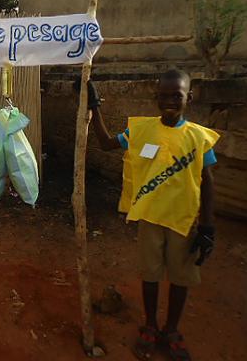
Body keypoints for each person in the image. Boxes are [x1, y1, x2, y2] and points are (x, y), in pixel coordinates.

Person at [84, 69, 219, 361]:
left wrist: (207, 226)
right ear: (155, 97)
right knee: (150, 275)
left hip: (184, 222)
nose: (170, 101)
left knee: (181, 278)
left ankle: (171, 330)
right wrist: (94, 106)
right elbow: (107, 143)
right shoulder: (141, 130)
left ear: (189, 98)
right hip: (150, 219)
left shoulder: (197, 137)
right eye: (164, 95)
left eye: (177, 96)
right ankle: (150, 325)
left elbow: (207, 181)